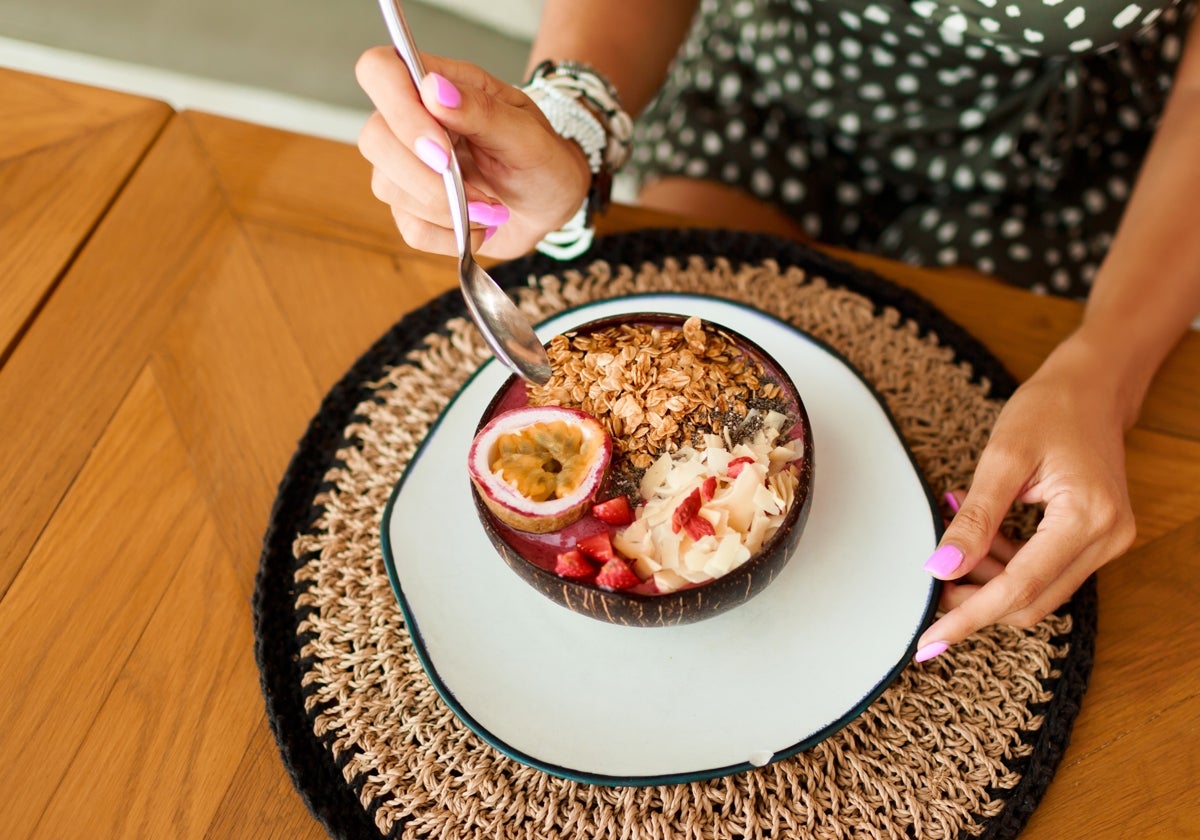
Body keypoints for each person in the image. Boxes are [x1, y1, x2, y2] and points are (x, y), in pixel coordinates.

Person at [355, 0, 1200, 662]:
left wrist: (1106, 367)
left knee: (968, 542)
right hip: (766, 103)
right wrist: (572, 120)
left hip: (1058, 167)